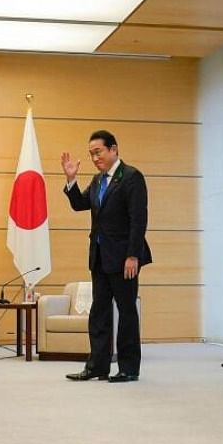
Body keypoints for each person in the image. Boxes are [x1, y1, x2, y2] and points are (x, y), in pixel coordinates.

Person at [61, 130, 153, 383]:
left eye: (98, 152)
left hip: (124, 258)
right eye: (91, 154)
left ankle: (128, 368)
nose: (94, 158)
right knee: (98, 312)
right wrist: (71, 180)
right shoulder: (98, 180)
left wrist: (133, 255)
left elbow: (138, 219)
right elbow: (80, 204)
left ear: (114, 149)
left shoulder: (132, 177)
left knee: (126, 312)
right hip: (100, 255)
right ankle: (97, 366)